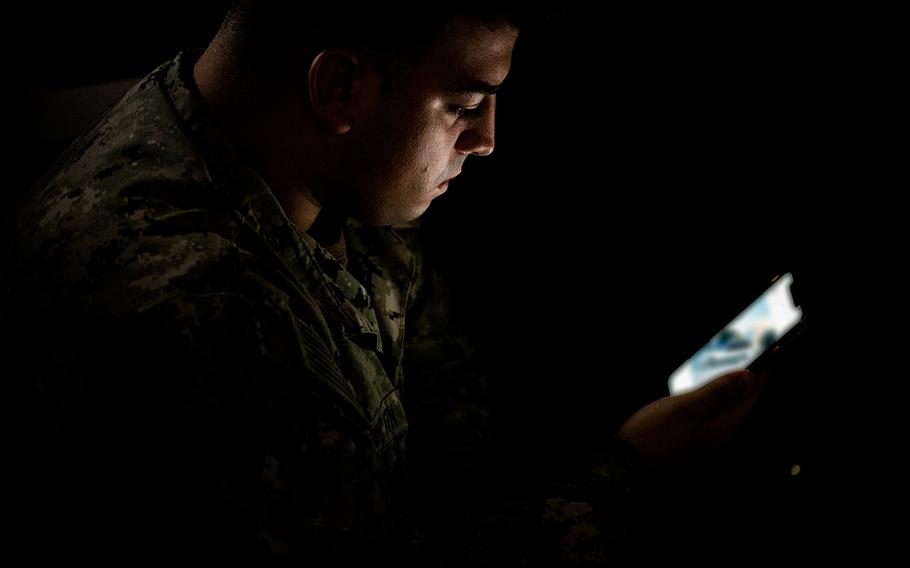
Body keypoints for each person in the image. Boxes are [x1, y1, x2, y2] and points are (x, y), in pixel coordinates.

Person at [2, 3, 766, 565]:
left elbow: (450, 436)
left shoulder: (331, 172)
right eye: (465, 106)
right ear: (338, 87)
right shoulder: (192, 319)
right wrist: (628, 473)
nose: (488, 140)